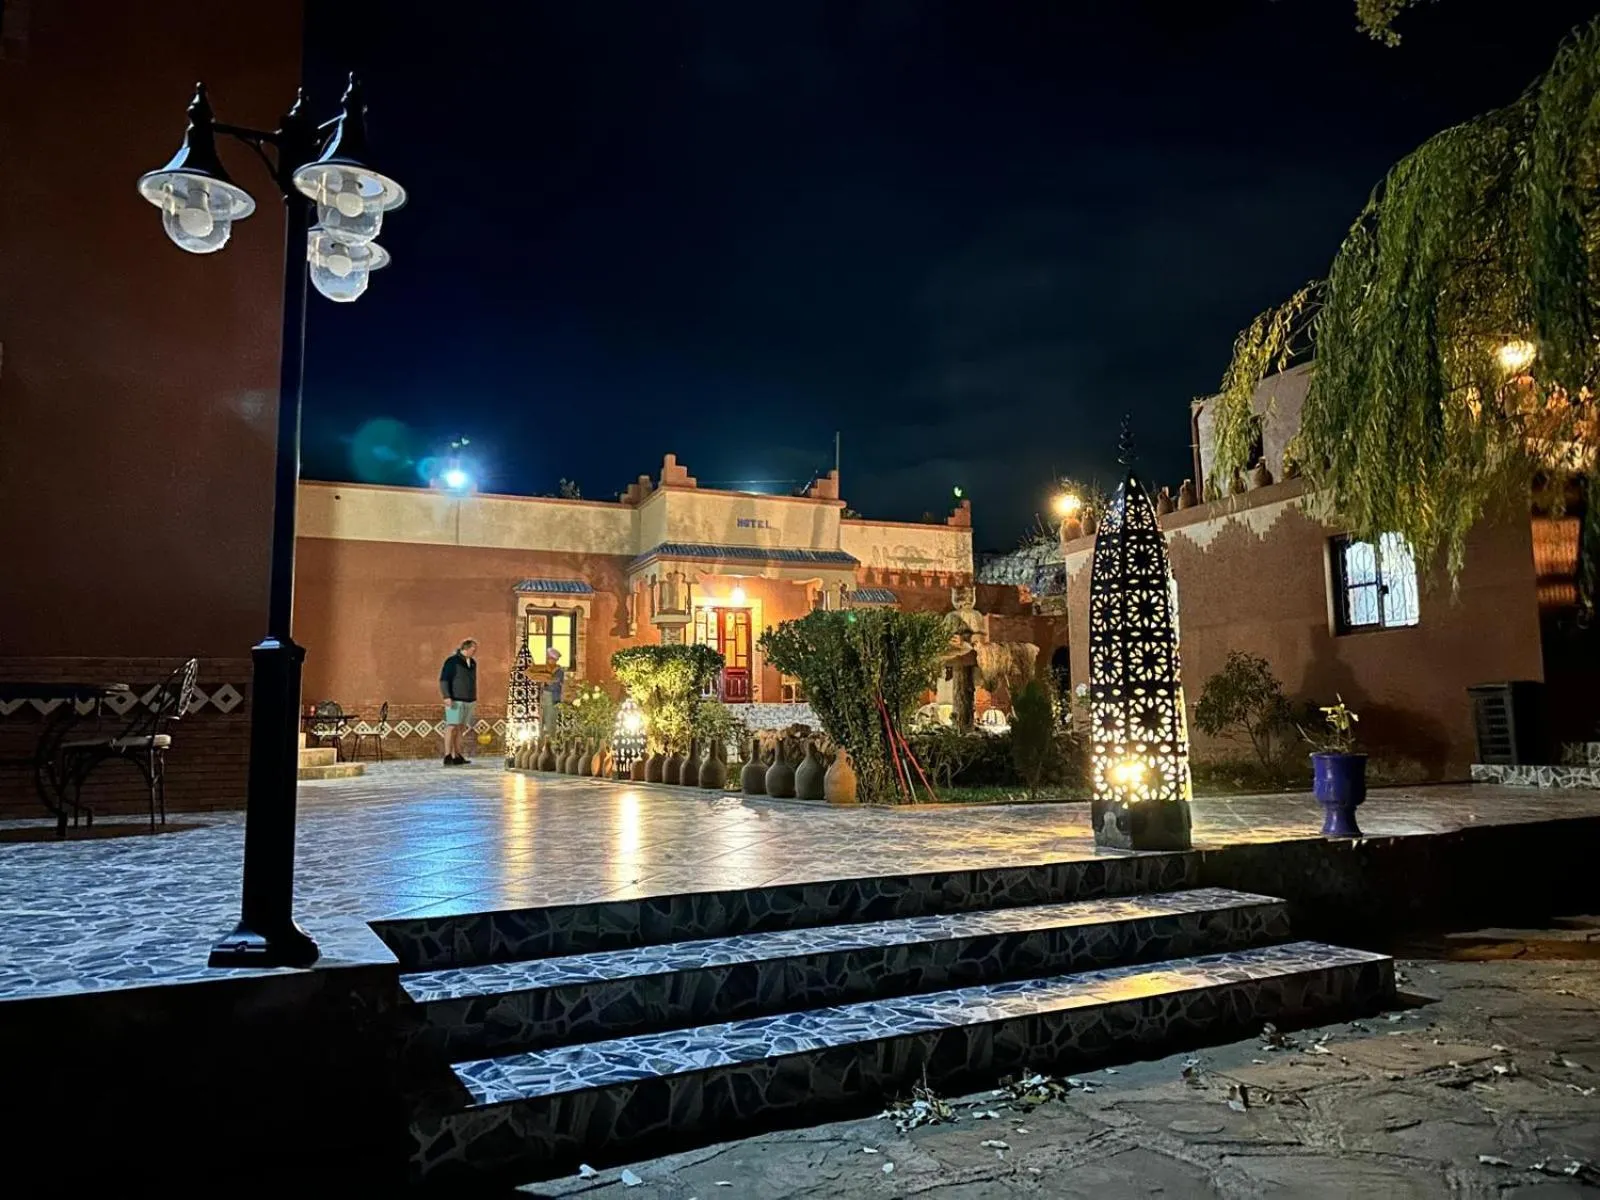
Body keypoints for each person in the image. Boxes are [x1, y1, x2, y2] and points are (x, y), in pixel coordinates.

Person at [439, 638, 478, 765]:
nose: (475, 651)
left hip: (469, 700)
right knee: (452, 726)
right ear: (465, 648)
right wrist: (446, 696)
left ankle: (458, 755)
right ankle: (447, 755)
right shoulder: (452, 662)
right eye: (473, 649)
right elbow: (444, 680)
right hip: (455, 699)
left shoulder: (472, 662)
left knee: (461, 728)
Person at [539, 646, 564, 740]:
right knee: (542, 721)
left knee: (551, 721)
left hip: (552, 698)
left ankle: (551, 742)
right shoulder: (545, 669)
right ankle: (542, 742)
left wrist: (547, 682)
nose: (549, 660)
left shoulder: (559, 671)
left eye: (551, 659)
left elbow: (555, 685)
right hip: (544, 697)